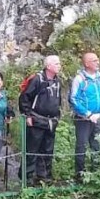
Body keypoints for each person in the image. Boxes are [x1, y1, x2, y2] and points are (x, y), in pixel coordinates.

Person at [18, 54, 62, 186]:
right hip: (36, 119)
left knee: (48, 150)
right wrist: (28, 115)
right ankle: (27, 179)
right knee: (32, 150)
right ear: (48, 66)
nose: (60, 66)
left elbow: (58, 101)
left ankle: (44, 178)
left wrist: (57, 116)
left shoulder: (57, 81)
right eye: (57, 64)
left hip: (50, 122)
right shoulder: (37, 79)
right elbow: (24, 98)